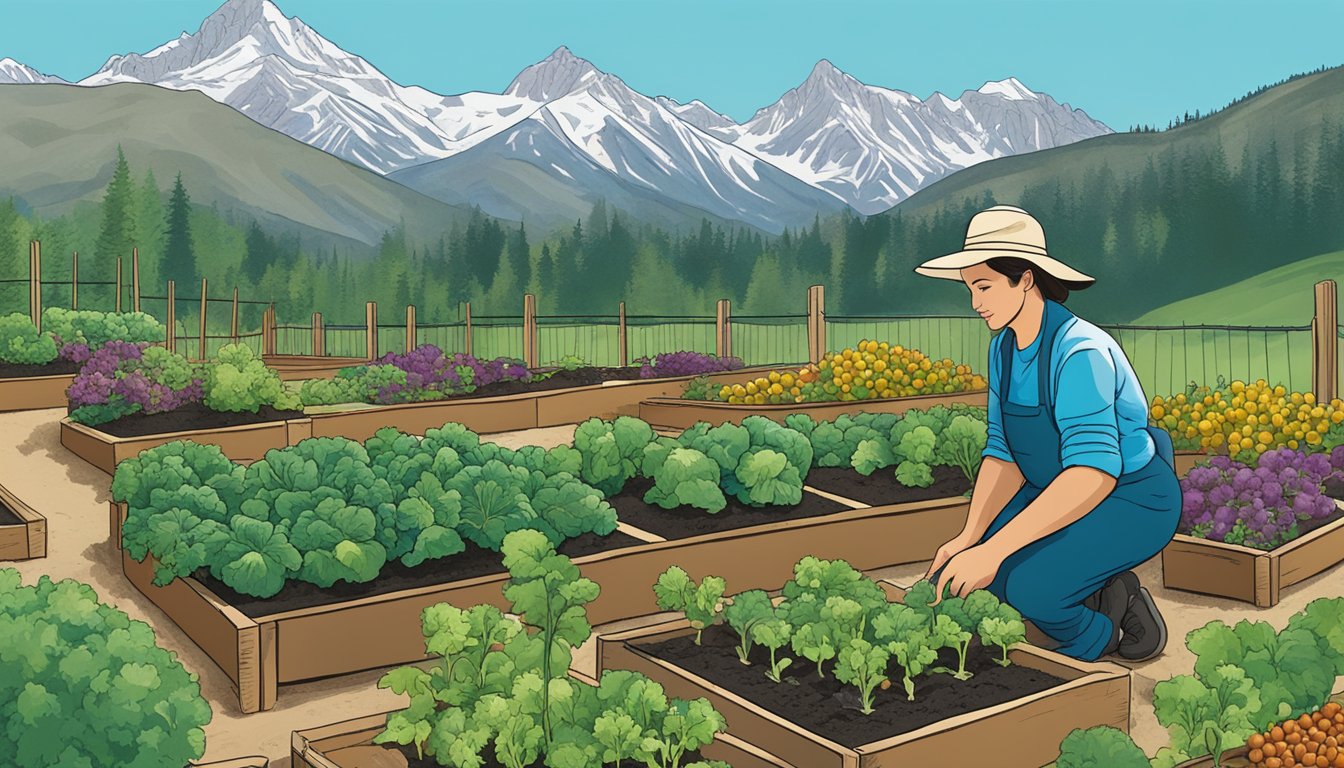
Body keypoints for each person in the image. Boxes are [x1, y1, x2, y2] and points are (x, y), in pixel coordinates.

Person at [915, 205, 1180, 662]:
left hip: (1130, 497)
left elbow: (1093, 474)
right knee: (964, 580)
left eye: (984, 286)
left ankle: (1107, 626)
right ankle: (1098, 583)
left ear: (1026, 279)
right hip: (1051, 490)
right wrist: (969, 537)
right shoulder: (1003, 347)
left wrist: (995, 549)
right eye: (970, 289)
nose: (976, 302)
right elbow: (1003, 454)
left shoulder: (1081, 353)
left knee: (1031, 592)